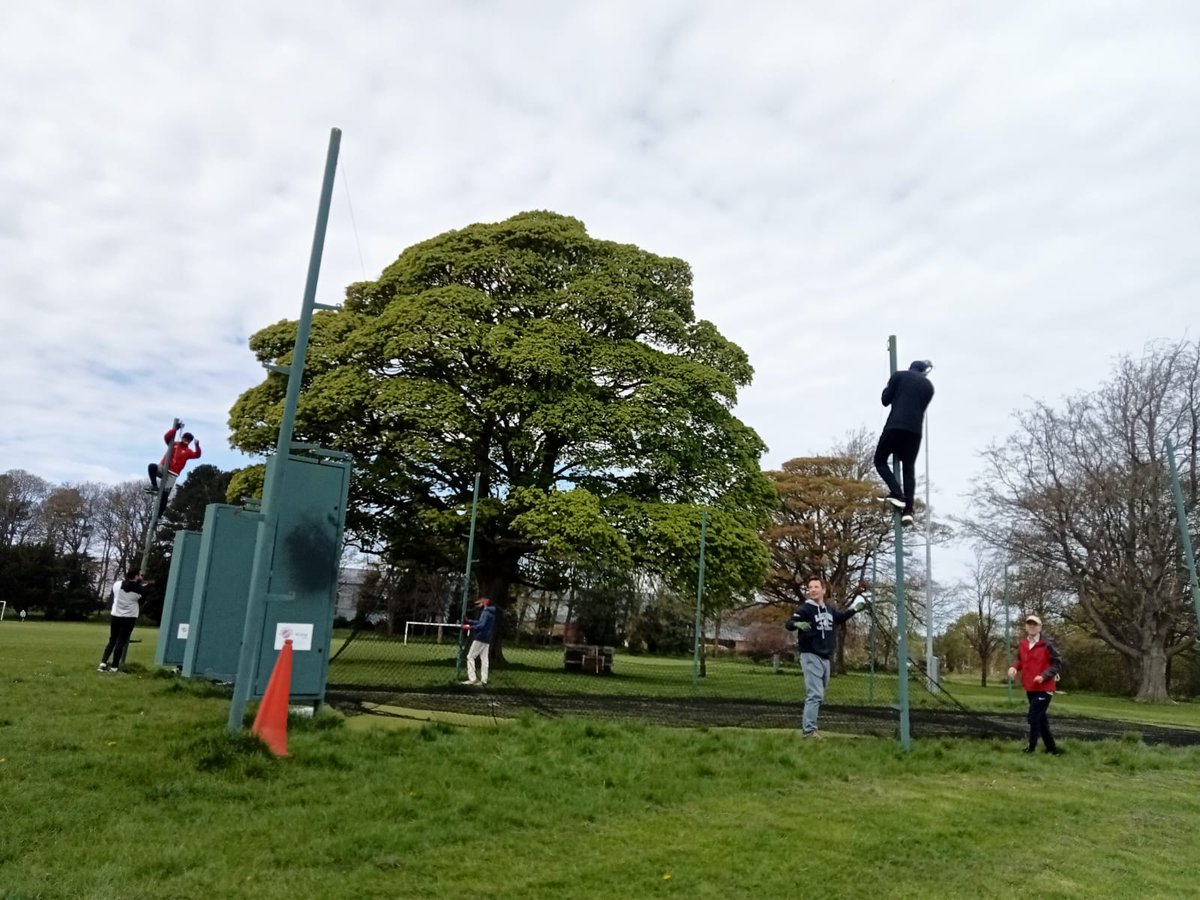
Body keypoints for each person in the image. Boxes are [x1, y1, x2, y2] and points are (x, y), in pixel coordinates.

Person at [785, 576, 869, 739]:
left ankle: (811, 729)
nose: (813, 590)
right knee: (814, 694)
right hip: (810, 654)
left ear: (823, 590)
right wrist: (797, 624)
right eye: (810, 587)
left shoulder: (829, 609)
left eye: (816, 587)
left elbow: (839, 618)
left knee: (819, 694)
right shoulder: (805, 609)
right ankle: (809, 732)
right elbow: (789, 623)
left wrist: (854, 609)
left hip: (825, 657)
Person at [874, 360, 935, 527]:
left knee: (879, 460)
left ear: (910, 367)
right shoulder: (929, 387)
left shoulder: (899, 376)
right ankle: (909, 511)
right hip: (915, 431)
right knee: (909, 469)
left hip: (895, 425)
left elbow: (885, 400)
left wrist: (889, 387)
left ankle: (897, 493)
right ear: (923, 372)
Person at [1007, 614, 1063, 754]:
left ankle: (1031, 748)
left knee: (1033, 717)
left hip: (1045, 687)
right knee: (1041, 720)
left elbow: (1057, 663)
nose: (1032, 626)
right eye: (1029, 624)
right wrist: (1014, 667)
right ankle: (1052, 750)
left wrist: (1044, 676)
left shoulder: (1047, 644)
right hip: (1030, 686)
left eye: (1035, 624)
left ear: (1040, 627)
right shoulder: (1023, 644)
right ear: (1026, 626)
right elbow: (1020, 660)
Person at [148, 418, 201, 516]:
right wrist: (175, 429)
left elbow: (197, 455)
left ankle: (159, 515)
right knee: (152, 466)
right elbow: (166, 437)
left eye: (188, 440)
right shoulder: (174, 444)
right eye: (185, 439)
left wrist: (197, 445)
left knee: (164, 495)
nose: (186, 441)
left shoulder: (188, 452)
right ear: (182, 438)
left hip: (172, 474)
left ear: (189, 442)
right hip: (164, 468)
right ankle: (154, 485)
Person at [99, 569, 148, 673]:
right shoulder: (140, 590)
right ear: (136, 576)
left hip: (116, 615)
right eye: (140, 575)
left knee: (112, 640)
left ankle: (103, 663)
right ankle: (114, 667)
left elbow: (125, 587)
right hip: (129, 617)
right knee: (121, 641)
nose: (142, 577)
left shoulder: (117, 584)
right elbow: (142, 601)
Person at [461, 597, 497, 686]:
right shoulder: (492, 613)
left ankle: (472, 679)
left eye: (480, 602)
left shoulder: (485, 612)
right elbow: (481, 622)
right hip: (487, 639)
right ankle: (484, 680)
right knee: (484, 659)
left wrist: (470, 627)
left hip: (480, 637)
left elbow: (482, 625)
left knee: (470, 656)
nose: (478, 604)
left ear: (485, 603)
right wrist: (470, 621)